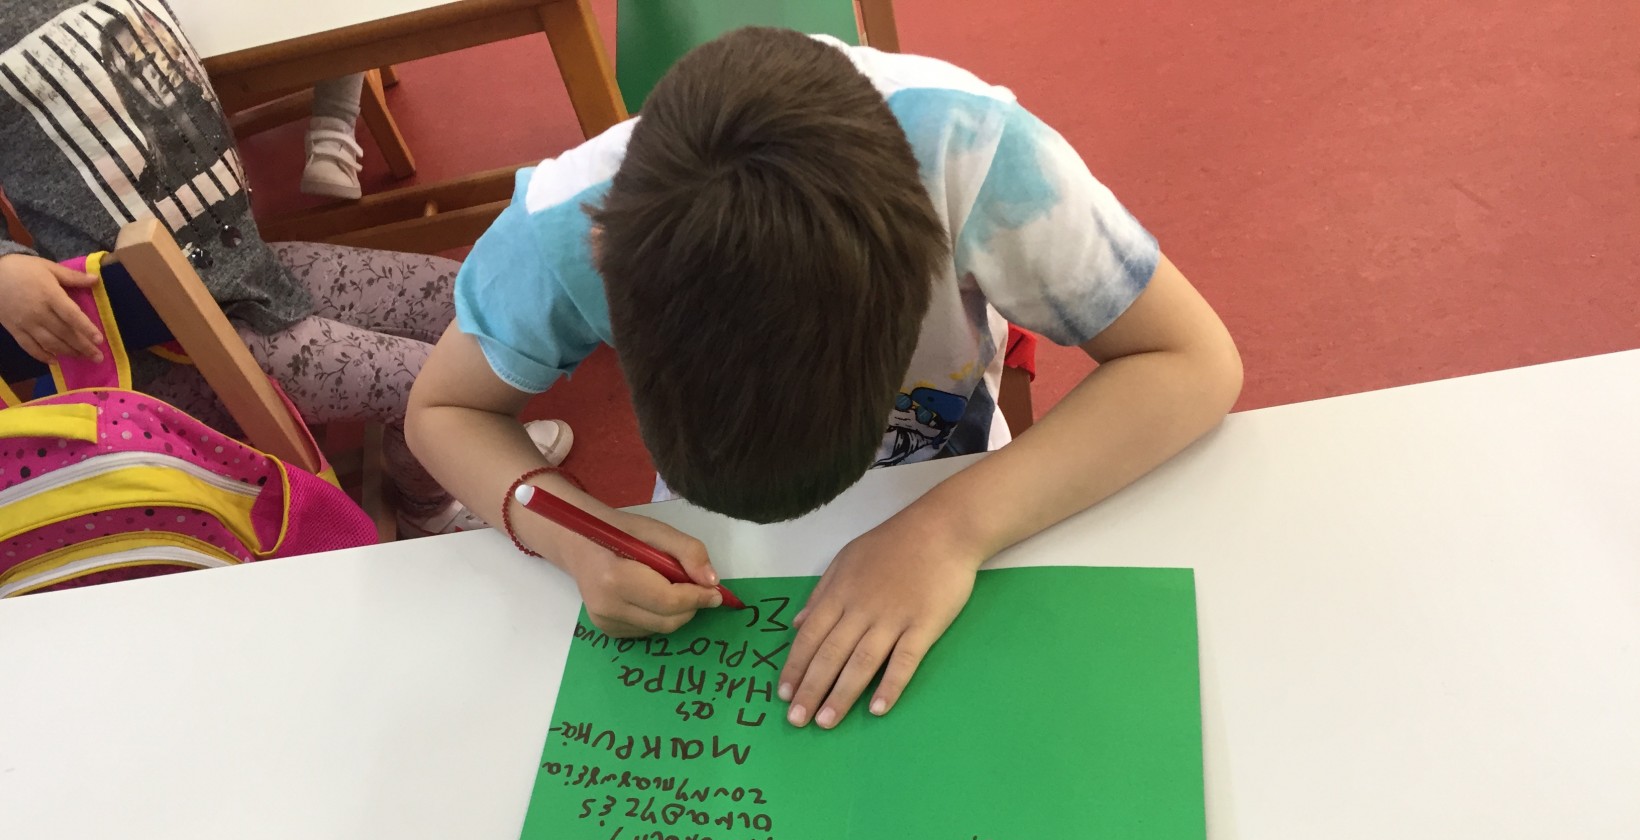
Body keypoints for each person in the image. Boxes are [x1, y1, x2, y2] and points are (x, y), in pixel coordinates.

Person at [406, 28, 1241, 721]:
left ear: (927, 264)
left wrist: (948, 529)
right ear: (604, 266)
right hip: (722, 533)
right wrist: (577, 537)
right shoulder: (560, 230)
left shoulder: (978, 158)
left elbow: (1193, 360)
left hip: (958, 483)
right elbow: (442, 411)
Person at [0, 0, 569, 536]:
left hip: (248, 268)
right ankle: (431, 503)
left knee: (465, 300)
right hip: (170, 343)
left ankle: (454, 445)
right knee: (435, 388)